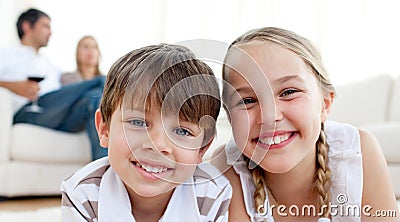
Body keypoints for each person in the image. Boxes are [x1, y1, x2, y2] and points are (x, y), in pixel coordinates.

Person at [212, 27, 399, 221]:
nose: (269, 116)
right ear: (230, 117)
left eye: (288, 92)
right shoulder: (226, 169)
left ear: (325, 104)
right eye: (247, 101)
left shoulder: (358, 152)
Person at [61, 43, 232, 221]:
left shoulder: (212, 195)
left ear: (202, 149)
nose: (158, 145)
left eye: (182, 131)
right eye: (138, 122)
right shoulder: (82, 193)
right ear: (105, 130)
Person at [0, 8, 107, 160]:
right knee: (98, 82)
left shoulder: (50, 65)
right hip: (29, 113)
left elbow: (64, 95)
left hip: (58, 116)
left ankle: (104, 173)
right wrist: (14, 86)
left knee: (92, 97)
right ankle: (110, 84)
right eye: (45, 26)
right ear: (27, 27)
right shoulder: (6, 54)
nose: (50, 32)